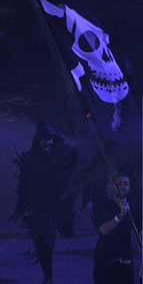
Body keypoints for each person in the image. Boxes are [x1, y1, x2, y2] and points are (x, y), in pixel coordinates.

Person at [11, 122, 77, 284]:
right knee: (41, 240)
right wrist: (21, 205)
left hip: (61, 202)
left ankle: (61, 226)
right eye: (43, 141)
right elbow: (24, 184)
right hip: (40, 204)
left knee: (67, 231)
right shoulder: (30, 160)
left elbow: (78, 168)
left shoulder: (64, 155)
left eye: (49, 141)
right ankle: (48, 276)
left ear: (54, 141)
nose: (47, 144)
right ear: (38, 142)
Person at [92, 168, 141, 284]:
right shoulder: (105, 205)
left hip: (125, 262)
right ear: (112, 187)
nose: (122, 187)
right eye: (119, 184)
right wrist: (120, 216)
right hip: (105, 263)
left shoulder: (133, 207)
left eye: (126, 184)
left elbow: (140, 229)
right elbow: (103, 229)